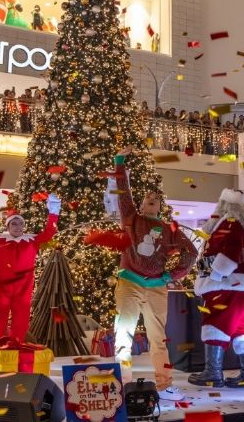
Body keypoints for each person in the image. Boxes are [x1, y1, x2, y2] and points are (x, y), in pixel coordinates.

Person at [86, 147, 197, 401]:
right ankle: (123, 383)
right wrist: (119, 160)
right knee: (123, 335)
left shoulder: (170, 229)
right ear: (142, 203)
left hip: (157, 287)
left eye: (154, 200)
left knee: (159, 338)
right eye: (146, 199)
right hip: (129, 283)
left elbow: (191, 252)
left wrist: (171, 276)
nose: (149, 201)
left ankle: (164, 383)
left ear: (159, 206)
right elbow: (124, 191)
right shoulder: (131, 218)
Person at [0, 188, 60, 370]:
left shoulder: (31, 241)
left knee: (20, 327)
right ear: (8, 226)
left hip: (23, 291)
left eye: (19, 224)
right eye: (13, 224)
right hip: (1, 289)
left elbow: (50, 231)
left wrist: (54, 210)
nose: (17, 227)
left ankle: (16, 362)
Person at [189, 188, 244, 389]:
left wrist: (216, 274)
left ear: (225, 205)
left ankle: (213, 373)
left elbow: (231, 250)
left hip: (229, 283)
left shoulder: (231, 223)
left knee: (216, 324)